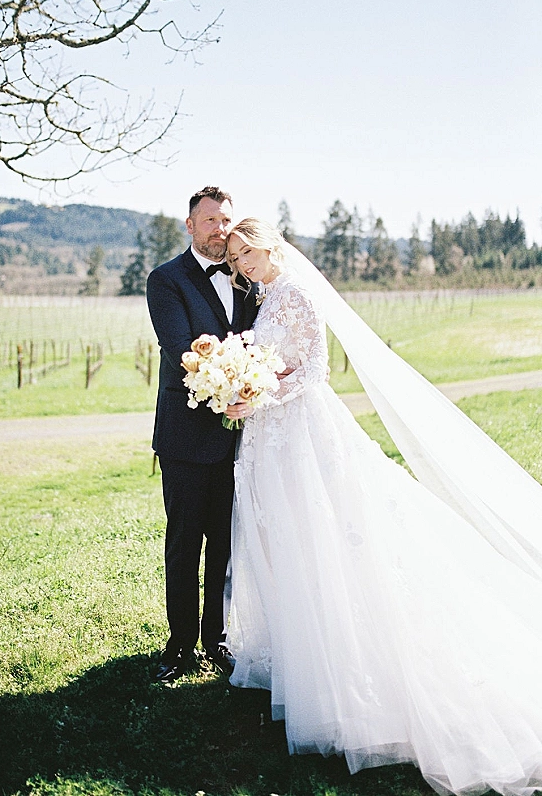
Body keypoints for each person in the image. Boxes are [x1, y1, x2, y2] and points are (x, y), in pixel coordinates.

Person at [224, 216, 542, 796]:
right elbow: (276, 360)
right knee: (284, 538)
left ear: (270, 245)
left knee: (321, 533)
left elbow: (315, 370)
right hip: (270, 433)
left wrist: (259, 392)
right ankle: (297, 662)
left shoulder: (294, 291)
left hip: (301, 430)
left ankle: (344, 676)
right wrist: (244, 388)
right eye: (236, 257)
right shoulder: (266, 295)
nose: (243, 263)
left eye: (249, 252)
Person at [146, 187, 259, 682]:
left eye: (225, 221)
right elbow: (180, 350)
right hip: (186, 438)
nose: (219, 229)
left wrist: (250, 392)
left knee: (226, 544)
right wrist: (227, 383)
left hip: (242, 440)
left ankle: (216, 638)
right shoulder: (166, 280)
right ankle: (180, 644)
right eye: (209, 220)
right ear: (190, 225)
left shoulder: (247, 282)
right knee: (184, 541)